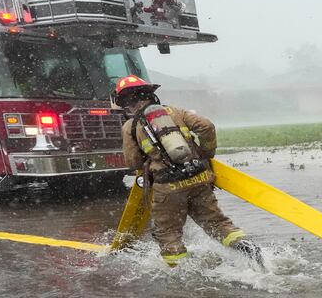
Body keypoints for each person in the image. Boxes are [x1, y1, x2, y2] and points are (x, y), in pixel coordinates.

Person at [112, 75, 263, 268]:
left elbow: (133, 162)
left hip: (168, 187)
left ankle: (182, 274)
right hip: (199, 177)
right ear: (150, 94)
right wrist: (205, 153)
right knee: (217, 223)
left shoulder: (130, 126)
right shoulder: (176, 111)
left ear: (126, 103)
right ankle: (246, 246)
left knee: (167, 233)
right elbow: (206, 126)